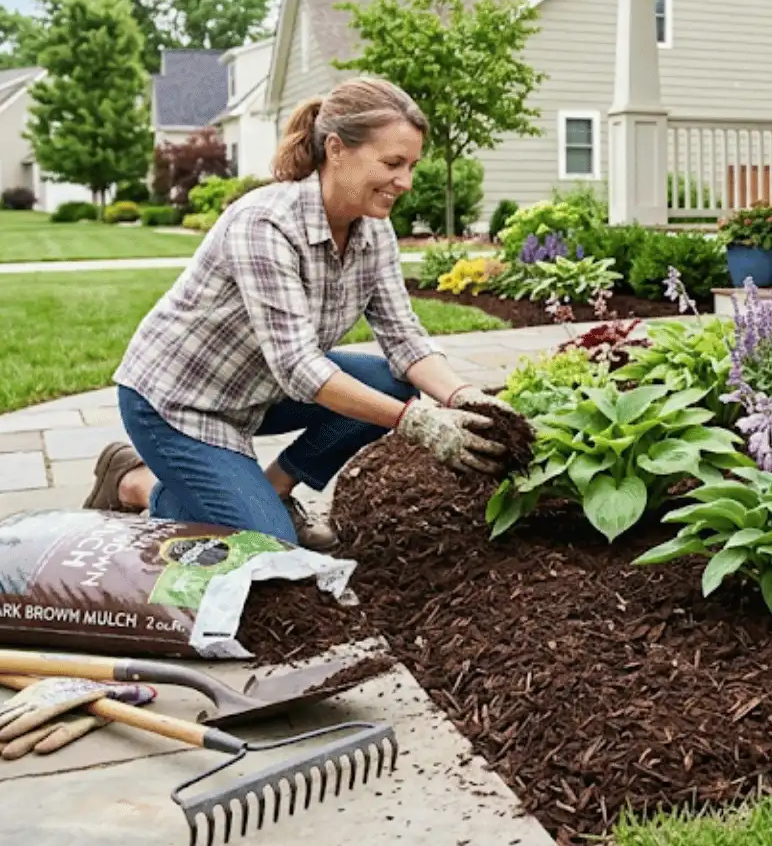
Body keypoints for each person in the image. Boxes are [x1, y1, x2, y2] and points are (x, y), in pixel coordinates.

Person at [85, 76, 505, 550]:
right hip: (179, 403)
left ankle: (276, 490)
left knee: (393, 382)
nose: (405, 182)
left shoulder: (373, 231)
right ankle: (134, 482)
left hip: (258, 388)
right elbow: (300, 367)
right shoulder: (266, 224)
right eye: (392, 163)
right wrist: (415, 421)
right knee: (269, 544)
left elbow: (404, 338)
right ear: (336, 149)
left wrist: (466, 398)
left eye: (411, 166)